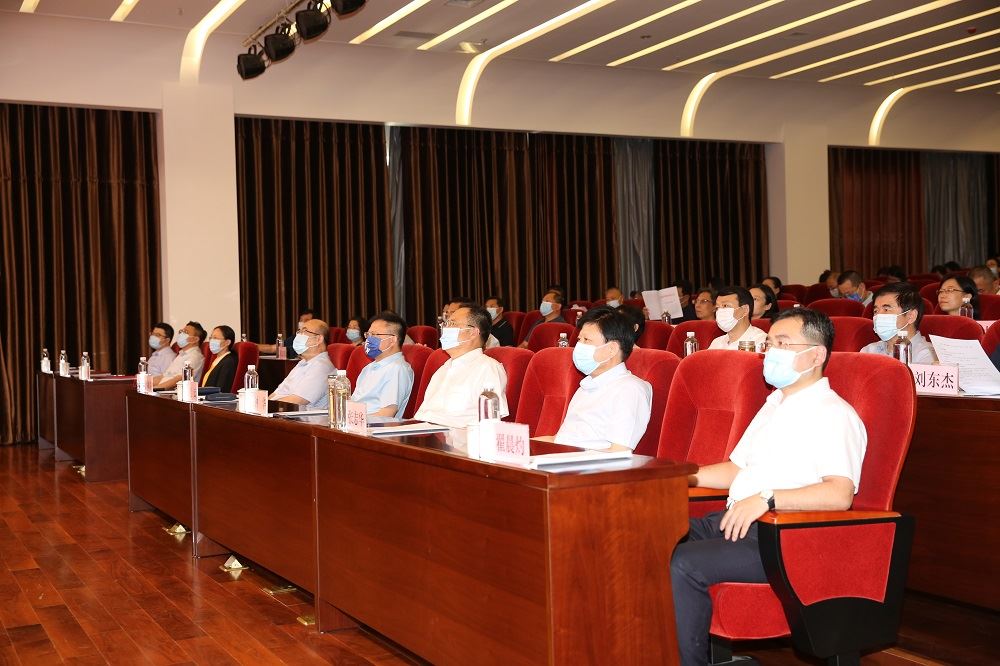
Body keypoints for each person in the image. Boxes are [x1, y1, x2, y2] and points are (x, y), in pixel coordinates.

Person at [671, 308, 867, 665]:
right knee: (650, 537)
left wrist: (767, 498)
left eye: (783, 343)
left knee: (683, 562)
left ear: (817, 355)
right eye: (770, 343)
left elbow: (840, 493)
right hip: (734, 521)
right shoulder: (774, 404)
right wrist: (681, 476)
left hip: (783, 538)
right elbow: (736, 469)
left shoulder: (835, 414)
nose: (771, 351)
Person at [553, 307, 651, 450]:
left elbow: (619, 453)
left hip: (587, 463)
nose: (579, 346)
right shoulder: (586, 386)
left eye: (587, 340)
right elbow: (560, 439)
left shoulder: (630, 390)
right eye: (579, 340)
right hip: (562, 459)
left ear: (611, 349)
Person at [415, 304, 509, 427]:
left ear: (472, 333)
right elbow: (423, 416)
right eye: (445, 324)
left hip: (458, 437)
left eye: (452, 324)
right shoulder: (443, 368)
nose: (445, 329)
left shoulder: (488, 369)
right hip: (423, 433)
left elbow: (490, 423)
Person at [351, 313, 413, 419]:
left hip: (372, 426)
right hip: (355, 422)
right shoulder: (368, 368)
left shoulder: (397, 369)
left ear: (392, 340)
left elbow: (387, 414)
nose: (368, 340)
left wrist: (353, 420)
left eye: (374, 335)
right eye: (368, 335)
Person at [860, 283, 937, 364]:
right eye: (876, 311)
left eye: (886, 310)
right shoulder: (868, 351)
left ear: (911, 316)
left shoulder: (928, 356)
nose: (878, 316)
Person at [270, 319, 334, 408]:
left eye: (304, 331)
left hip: (302, 415)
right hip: (284, 411)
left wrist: (268, 405)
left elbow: (297, 401)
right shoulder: (303, 363)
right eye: (299, 332)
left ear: (319, 339)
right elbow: (277, 393)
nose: (298, 336)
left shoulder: (322, 367)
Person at [153, 321, 206, 389]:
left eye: (185, 332)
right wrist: (146, 384)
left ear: (195, 339)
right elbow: (165, 376)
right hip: (165, 390)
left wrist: (156, 388)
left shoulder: (195, 356)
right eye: (181, 331)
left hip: (177, 392)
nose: (181, 334)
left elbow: (179, 379)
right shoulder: (181, 354)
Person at [201, 325, 239, 390]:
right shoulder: (218, 359)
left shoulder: (229, 362)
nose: (211, 341)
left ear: (227, 342)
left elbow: (222, 389)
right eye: (211, 338)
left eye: (215, 338)